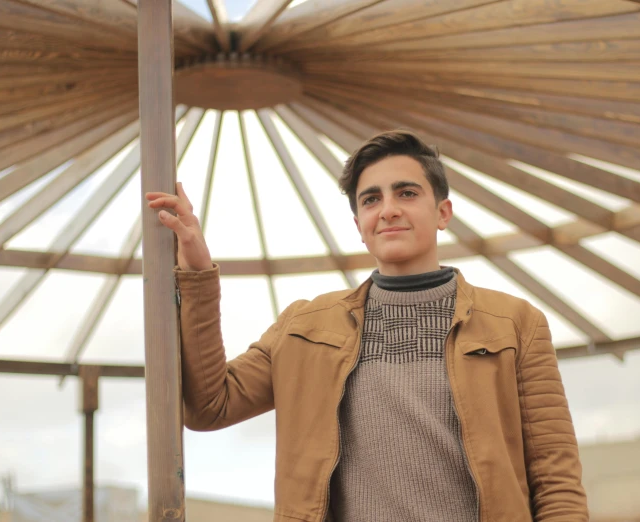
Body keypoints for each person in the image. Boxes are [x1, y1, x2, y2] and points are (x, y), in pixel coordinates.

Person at [146, 130, 588, 522]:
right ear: (359, 224)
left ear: (443, 212)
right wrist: (198, 272)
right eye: (371, 199)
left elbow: (555, 477)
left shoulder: (515, 324)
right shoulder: (304, 327)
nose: (388, 209)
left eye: (407, 193)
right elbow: (209, 406)